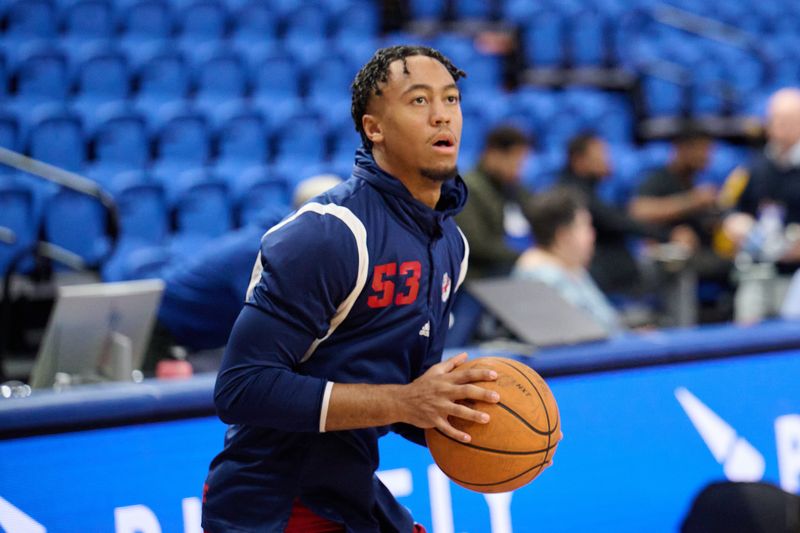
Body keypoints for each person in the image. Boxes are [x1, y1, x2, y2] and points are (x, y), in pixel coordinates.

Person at [202, 45, 503, 533]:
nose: (442, 116)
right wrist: (406, 402)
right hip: (272, 504)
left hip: (349, 492)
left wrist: (480, 424)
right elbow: (240, 387)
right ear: (374, 128)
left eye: (450, 99)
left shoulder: (451, 244)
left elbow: (410, 393)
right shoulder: (330, 232)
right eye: (419, 101)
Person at [145, 174, 343, 373]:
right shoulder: (264, 249)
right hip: (157, 330)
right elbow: (272, 322)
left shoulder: (294, 242)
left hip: (201, 336)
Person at [557, 132, 695, 294]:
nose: (607, 160)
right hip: (594, 269)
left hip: (605, 265)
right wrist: (668, 235)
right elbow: (616, 221)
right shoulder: (573, 194)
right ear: (579, 161)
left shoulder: (586, 190)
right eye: (600, 155)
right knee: (669, 267)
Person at [629, 127, 732, 286]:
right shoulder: (660, 179)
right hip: (669, 257)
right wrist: (692, 201)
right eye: (702, 149)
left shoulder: (693, 182)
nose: (707, 156)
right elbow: (638, 210)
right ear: (682, 148)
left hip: (702, 254)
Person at [514, 187, 622, 334]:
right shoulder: (542, 277)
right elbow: (588, 333)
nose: (592, 235)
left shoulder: (570, 266)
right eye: (586, 226)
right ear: (563, 236)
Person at [454, 125, 533, 280]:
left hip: (510, 269)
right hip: (481, 276)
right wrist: (525, 255)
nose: (519, 170)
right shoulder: (468, 188)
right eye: (516, 162)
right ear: (493, 154)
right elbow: (477, 245)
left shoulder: (514, 189)